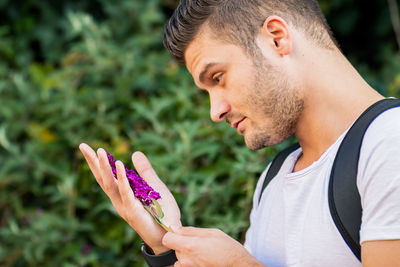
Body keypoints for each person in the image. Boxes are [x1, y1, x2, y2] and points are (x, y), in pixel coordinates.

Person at [79, 0, 400, 266]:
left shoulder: (389, 143)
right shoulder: (274, 179)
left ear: (277, 37)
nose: (214, 111)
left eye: (217, 77)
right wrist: (165, 245)